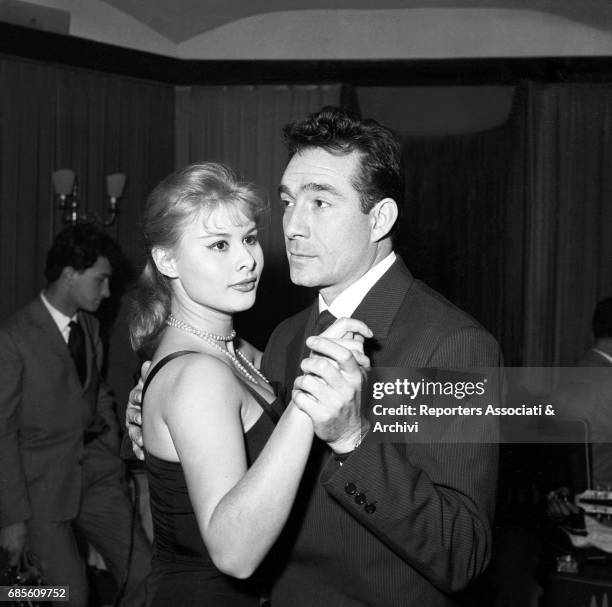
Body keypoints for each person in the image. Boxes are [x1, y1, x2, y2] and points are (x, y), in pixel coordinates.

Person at [128, 107, 502, 606]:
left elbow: (463, 553)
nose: (293, 226)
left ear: (380, 218)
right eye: (288, 201)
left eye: (320, 202)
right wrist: (160, 417)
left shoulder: (454, 344)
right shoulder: (283, 337)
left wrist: (353, 438)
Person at [128, 162, 370, 606]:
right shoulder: (199, 374)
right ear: (166, 259)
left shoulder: (240, 352)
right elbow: (233, 554)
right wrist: (307, 398)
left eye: (250, 239)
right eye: (219, 244)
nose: (246, 259)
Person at [0, 223, 151, 607]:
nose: (107, 291)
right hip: (41, 493)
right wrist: (12, 519)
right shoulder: (14, 338)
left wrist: (113, 455)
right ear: (69, 275)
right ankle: (14, 595)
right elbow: (1, 433)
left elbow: (98, 393)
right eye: (100, 280)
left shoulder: (90, 325)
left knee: (146, 576)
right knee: (69, 593)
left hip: (98, 478)